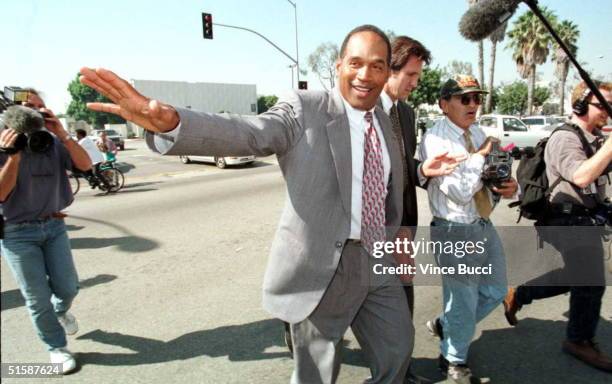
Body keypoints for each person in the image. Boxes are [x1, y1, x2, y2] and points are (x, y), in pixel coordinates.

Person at [79, 25, 462, 383]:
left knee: (398, 348)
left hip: (378, 259)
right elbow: (249, 132)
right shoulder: (305, 108)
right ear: (339, 66)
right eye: (356, 63)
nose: (365, 75)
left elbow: (389, 187)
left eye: (377, 66)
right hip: (325, 264)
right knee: (317, 370)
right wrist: (171, 122)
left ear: (385, 73)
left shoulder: (385, 117)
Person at [503, 81, 612, 372]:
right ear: (579, 106)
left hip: (585, 217)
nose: (607, 111)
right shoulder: (565, 138)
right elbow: (580, 175)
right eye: (602, 105)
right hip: (563, 219)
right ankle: (578, 340)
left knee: (577, 277)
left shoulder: (595, 137)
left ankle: (521, 293)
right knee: (591, 280)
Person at [418, 75, 519, 383]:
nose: (474, 104)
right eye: (465, 98)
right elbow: (459, 192)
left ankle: (446, 324)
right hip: (454, 229)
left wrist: (508, 186)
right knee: (463, 300)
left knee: (496, 290)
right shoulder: (435, 139)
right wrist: (480, 156)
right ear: (444, 104)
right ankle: (452, 359)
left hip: (481, 222)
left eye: (477, 98)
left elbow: (487, 177)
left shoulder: (476, 132)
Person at [0, 89, 92, 374]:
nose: (35, 113)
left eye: (40, 107)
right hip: (17, 233)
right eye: (28, 107)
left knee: (68, 287)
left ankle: (60, 312)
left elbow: (86, 165)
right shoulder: (3, 144)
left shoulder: (51, 141)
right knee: (37, 298)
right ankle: (56, 347)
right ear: (12, 113)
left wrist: (62, 134)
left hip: (53, 225)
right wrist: (13, 155)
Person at [380, 35, 434, 384]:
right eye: (411, 75)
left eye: (418, 75)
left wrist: (424, 171)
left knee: (402, 301)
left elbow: (403, 167)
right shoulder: (362, 111)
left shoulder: (407, 112)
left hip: (403, 226)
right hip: (368, 230)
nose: (415, 83)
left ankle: (401, 371)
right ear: (389, 68)